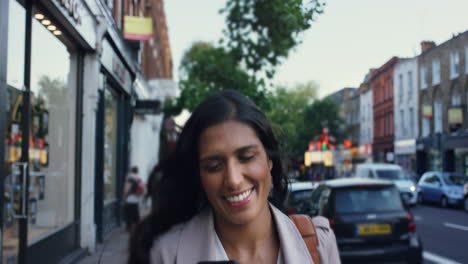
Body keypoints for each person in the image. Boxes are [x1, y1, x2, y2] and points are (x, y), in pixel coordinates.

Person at [129, 90, 340, 264]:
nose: (233, 179)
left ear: (269, 160)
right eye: (213, 166)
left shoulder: (318, 244)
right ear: (199, 175)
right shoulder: (165, 255)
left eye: (246, 157)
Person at [123, 166, 143, 232]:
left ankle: (129, 228)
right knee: (136, 214)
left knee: (129, 214)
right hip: (136, 198)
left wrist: (124, 196)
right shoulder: (139, 178)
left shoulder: (130, 178)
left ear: (131, 170)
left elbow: (127, 188)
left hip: (130, 198)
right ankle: (138, 227)